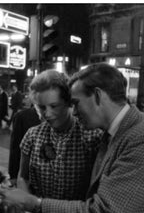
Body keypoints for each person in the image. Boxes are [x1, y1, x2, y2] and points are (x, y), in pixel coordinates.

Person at [0, 64, 144, 213]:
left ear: (97, 96)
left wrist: (35, 204)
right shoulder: (113, 133)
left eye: (76, 103)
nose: (75, 112)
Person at [15, 70, 103, 201]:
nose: (48, 114)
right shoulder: (32, 136)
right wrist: (28, 208)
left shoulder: (92, 136)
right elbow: (23, 177)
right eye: (42, 107)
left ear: (68, 102)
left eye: (54, 106)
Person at [8, 103, 42, 184]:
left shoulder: (57, 116)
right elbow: (15, 148)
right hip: (28, 176)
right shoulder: (21, 116)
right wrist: (13, 176)